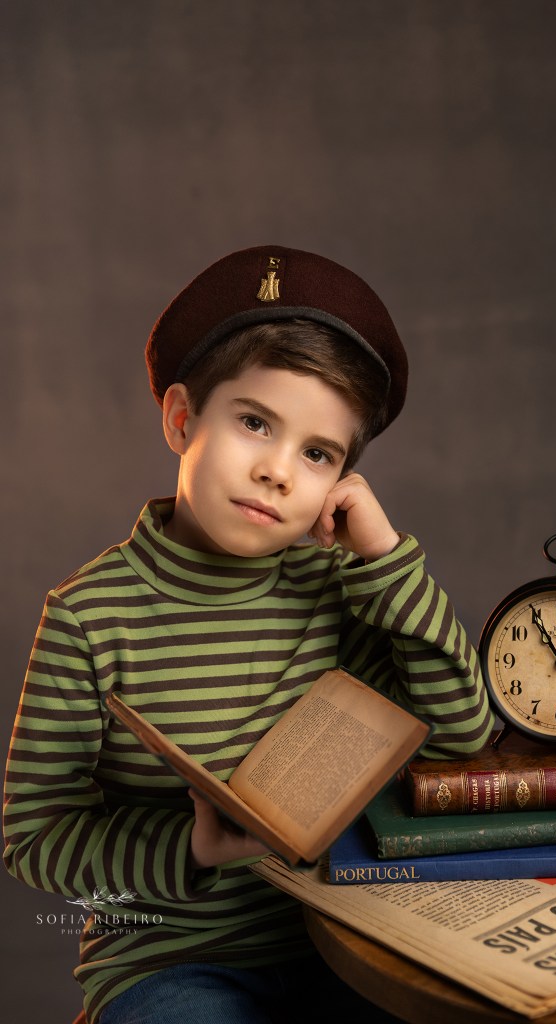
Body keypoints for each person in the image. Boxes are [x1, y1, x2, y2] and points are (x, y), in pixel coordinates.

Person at [4, 245, 494, 1023]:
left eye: (317, 453)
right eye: (255, 423)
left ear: (340, 482)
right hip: (166, 958)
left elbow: (461, 735)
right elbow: (34, 838)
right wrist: (189, 850)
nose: (278, 471)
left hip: (343, 940)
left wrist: (387, 562)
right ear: (180, 418)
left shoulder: (344, 590)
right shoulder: (88, 616)